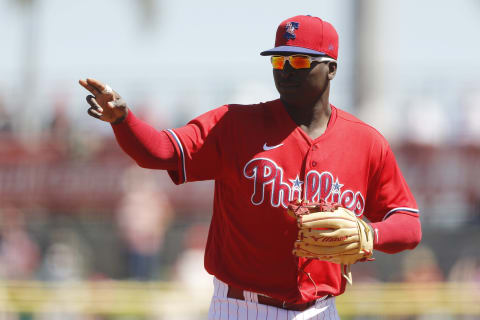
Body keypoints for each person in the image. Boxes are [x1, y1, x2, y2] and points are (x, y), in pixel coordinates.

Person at [79, 15, 422, 320]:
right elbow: (160, 151)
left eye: (300, 61)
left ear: (331, 68)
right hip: (241, 309)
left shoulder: (366, 142)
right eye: (279, 60)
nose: (286, 69)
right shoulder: (234, 124)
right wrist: (123, 120)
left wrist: (370, 233)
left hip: (320, 310)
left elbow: (408, 224)